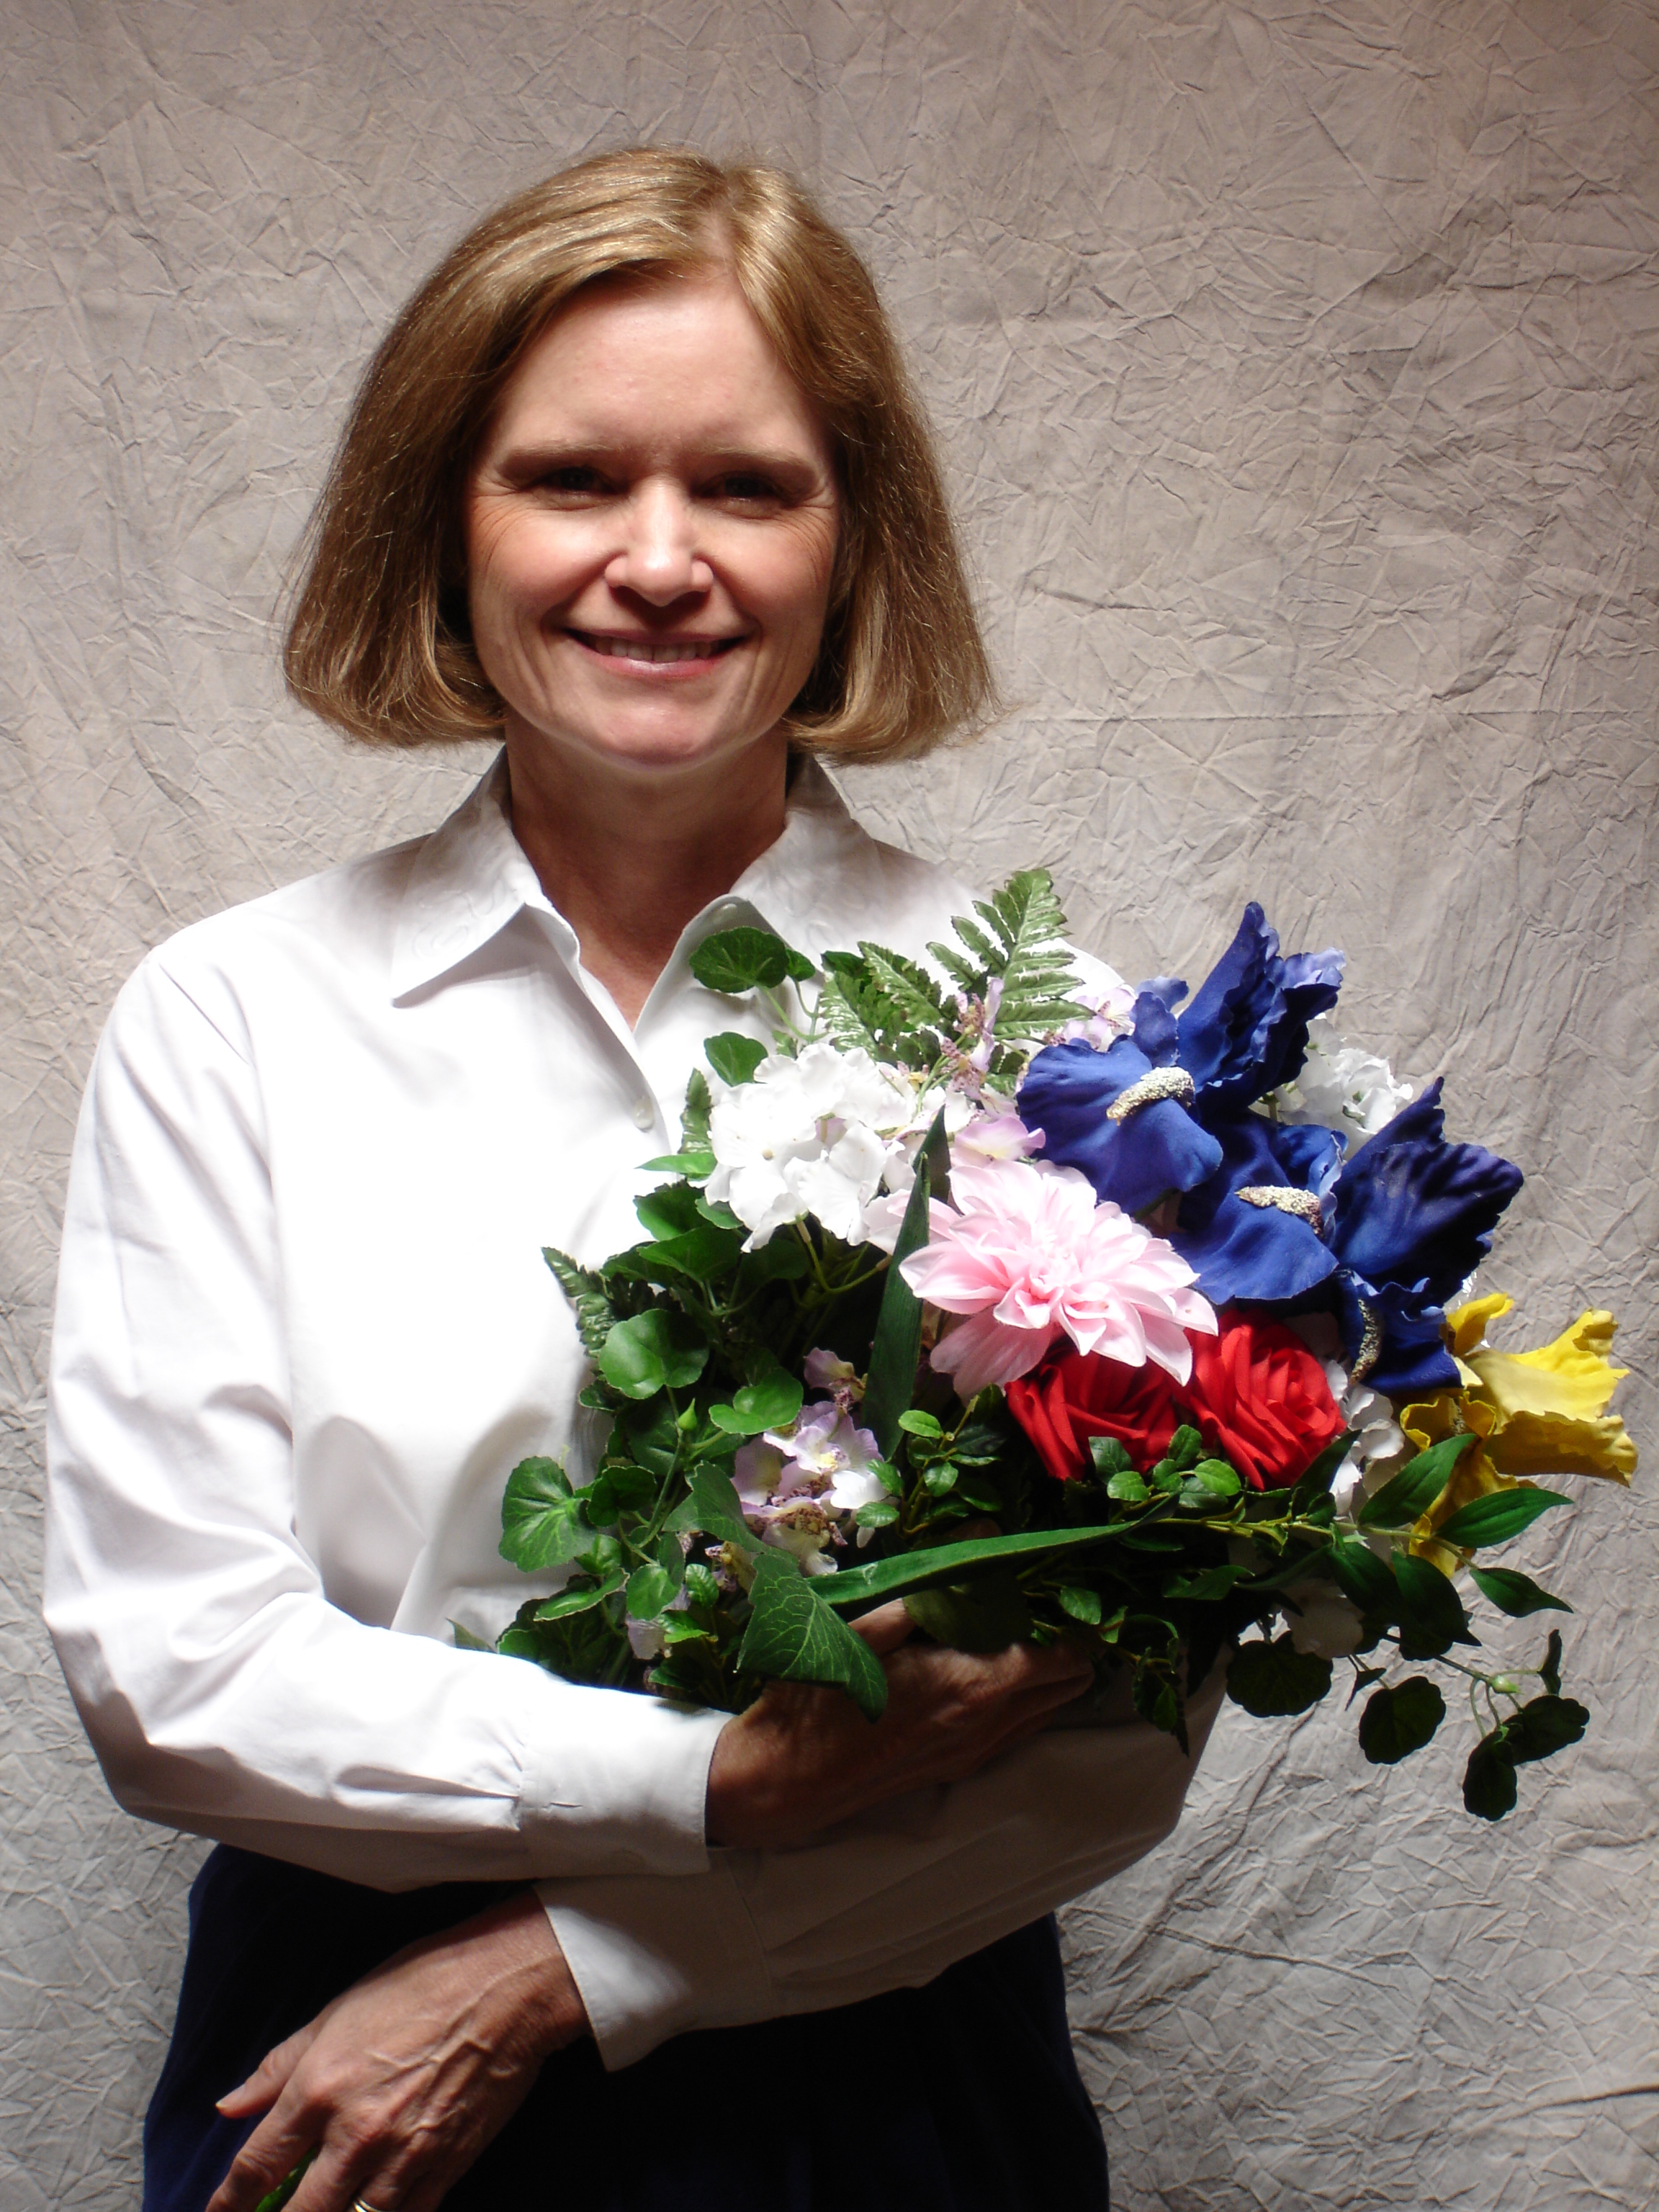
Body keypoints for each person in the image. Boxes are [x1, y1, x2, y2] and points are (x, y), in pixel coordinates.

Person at [44, 149, 1225, 2212]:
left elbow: (1114, 1733)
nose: (659, 561)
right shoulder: (233, 1015)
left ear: (853, 543)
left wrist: (581, 1965)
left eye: (748, 488)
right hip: (339, 2073)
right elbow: (177, 1669)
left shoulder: (1050, 1042)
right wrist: (721, 1778)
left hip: (894, 2071)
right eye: (574, 479)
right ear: (447, 523)